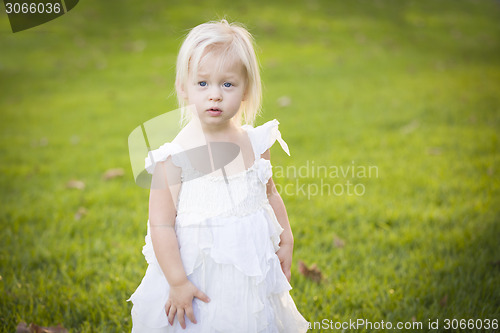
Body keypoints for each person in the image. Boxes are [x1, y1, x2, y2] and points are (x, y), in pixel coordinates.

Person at [127, 19, 309, 332]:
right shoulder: (173, 158)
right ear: (183, 88)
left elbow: (270, 195)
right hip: (197, 282)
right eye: (202, 84)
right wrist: (178, 281)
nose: (215, 95)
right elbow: (160, 225)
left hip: (248, 276)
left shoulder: (256, 143)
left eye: (227, 84)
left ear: (245, 90)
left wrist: (286, 238)